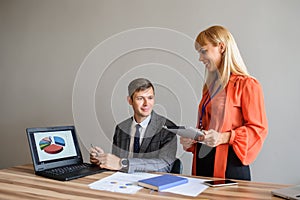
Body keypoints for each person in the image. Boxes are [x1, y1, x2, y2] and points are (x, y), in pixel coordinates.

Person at [180, 25, 268, 180]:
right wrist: (193, 140)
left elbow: (258, 129)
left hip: (229, 168)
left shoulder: (247, 84)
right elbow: (208, 129)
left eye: (203, 51)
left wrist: (224, 137)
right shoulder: (210, 88)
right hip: (202, 165)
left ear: (221, 47)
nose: (200, 58)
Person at [90, 78, 177, 173]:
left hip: (150, 184)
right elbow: (116, 163)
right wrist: (103, 160)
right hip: (122, 183)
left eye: (150, 98)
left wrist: (123, 163)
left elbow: (164, 165)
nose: (146, 104)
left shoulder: (168, 129)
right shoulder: (121, 128)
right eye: (140, 98)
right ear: (130, 101)